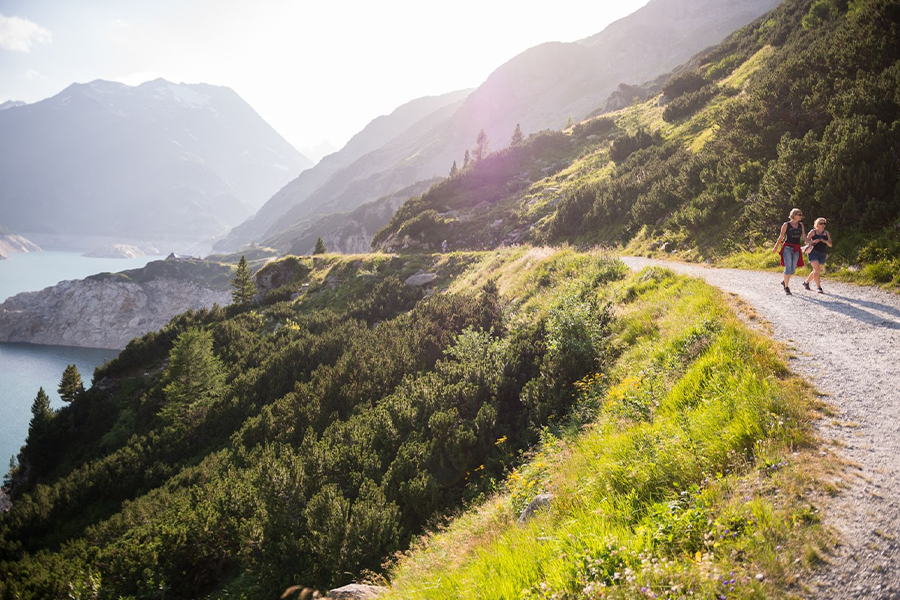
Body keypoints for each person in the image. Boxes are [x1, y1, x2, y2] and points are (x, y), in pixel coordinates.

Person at [772, 208, 805, 295]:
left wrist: (809, 243)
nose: (800, 216)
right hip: (787, 248)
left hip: (796, 248)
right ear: (793, 215)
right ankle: (786, 287)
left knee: (793, 270)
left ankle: (784, 281)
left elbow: (804, 236)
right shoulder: (786, 225)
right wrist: (776, 247)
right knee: (788, 267)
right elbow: (781, 237)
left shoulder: (801, 225)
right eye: (799, 214)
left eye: (801, 214)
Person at [803, 217, 832, 293]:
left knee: (816, 271)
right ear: (817, 224)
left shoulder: (826, 233)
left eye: (824, 223)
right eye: (821, 223)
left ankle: (806, 282)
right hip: (813, 252)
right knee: (817, 270)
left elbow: (830, 244)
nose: (823, 225)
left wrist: (824, 241)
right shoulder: (813, 232)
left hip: (822, 253)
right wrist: (813, 241)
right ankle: (819, 287)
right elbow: (806, 242)